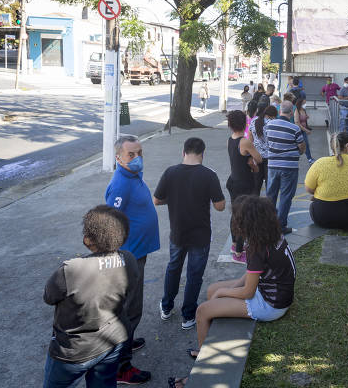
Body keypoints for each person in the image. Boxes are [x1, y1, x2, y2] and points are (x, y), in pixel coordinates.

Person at [175, 195, 295, 383]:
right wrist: (228, 288)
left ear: (248, 224)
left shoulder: (256, 248)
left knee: (202, 311)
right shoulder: (271, 235)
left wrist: (224, 293)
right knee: (212, 289)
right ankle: (207, 345)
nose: (236, 224)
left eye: (238, 220)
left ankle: (204, 366)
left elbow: (248, 292)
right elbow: (252, 274)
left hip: (270, 305)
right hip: (275, 294)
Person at [42, 205, 139, 388]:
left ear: (88, 240)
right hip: (112, 342)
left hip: (74, 351)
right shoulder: (130, 259)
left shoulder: (72, 270)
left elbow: (49, 297)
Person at [154, 138, 226, 331]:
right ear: (202, 153)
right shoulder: (209, 175)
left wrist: (176, 199)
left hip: (177, 232)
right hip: (200, 236)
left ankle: (167, 307)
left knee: (173, 268)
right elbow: (220, 206)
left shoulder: (170, 172)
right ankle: (188, 316)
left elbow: (156, 200)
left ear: (183, 152)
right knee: (194, 275)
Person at [105, 135, 159, 384]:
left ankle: (128, 338)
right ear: (118, 158)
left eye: (140, 153)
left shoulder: (132, 175)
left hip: (138, 252)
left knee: (132, 309)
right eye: (131, 155)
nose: (137, 159)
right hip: (129, 257)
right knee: (130, 309)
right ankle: (121, 367)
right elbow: (110, 222)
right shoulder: (121, 184)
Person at [305, 133, 348, 229]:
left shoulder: (320, 163)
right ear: (347, 146)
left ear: (332, 147)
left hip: (325, 218)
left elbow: (309, 189)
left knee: (313, 204)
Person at [226, 110, 263, 263]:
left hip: (233, 181)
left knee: (235, 214)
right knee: (243, 217)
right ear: (245, 124)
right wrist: (253, 165)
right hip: (244, 183)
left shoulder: (231, 139)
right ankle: (240, 253)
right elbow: (259, 159)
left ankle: (235, 245)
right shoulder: (245, 141)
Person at [265, 101, 306, 234]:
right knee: (286, 196)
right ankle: (281, 226)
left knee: (271, 195)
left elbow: (267, 143)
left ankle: (268, 224)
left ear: (279, 111)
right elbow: (302, 148)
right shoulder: (295, 128)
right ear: (290, 112)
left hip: (272, 166)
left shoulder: (269, 126)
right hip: (289, 167)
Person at [248, 105, 278, 195]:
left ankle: (254, 207)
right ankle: (269, 207)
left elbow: (250, 139)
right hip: (270, 158)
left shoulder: (253, 121)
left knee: (256, 185)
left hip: (257, 157)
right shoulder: (273, 123)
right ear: (272, 115)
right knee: (270, 186)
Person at [294, 96, 314, 164]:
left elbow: (304, 119)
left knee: (306, 145)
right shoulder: (297, 110)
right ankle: (309, 159)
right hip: (299, 131)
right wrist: (306, 130)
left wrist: (306, 117)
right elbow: (297, 123)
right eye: (304, 103)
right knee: (301, 145)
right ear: (300, 103)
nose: (305, 105)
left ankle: (309, 158)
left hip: (303, 130)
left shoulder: (303, 110)